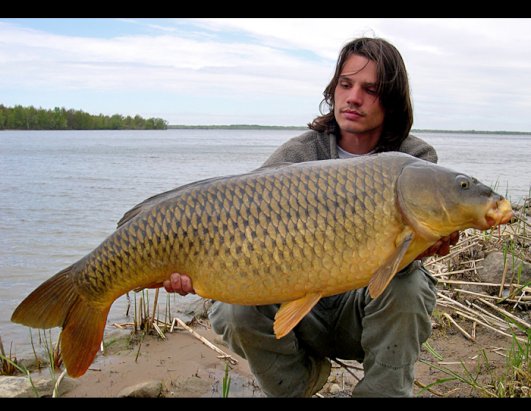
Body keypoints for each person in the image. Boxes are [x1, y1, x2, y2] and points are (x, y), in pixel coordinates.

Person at [163, 37, 459, 397]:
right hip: (303, 310)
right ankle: (298, 381)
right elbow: (242, 232)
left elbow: (408, 251)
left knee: (410, 288)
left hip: (367, 311)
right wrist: (196, 269)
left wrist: (427, 244)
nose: (353, 97)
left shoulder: (415, 159)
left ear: (393, 100)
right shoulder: (297, 155)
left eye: (370, 89)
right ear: (333, 89)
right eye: (345, 85)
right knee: (231, 311)